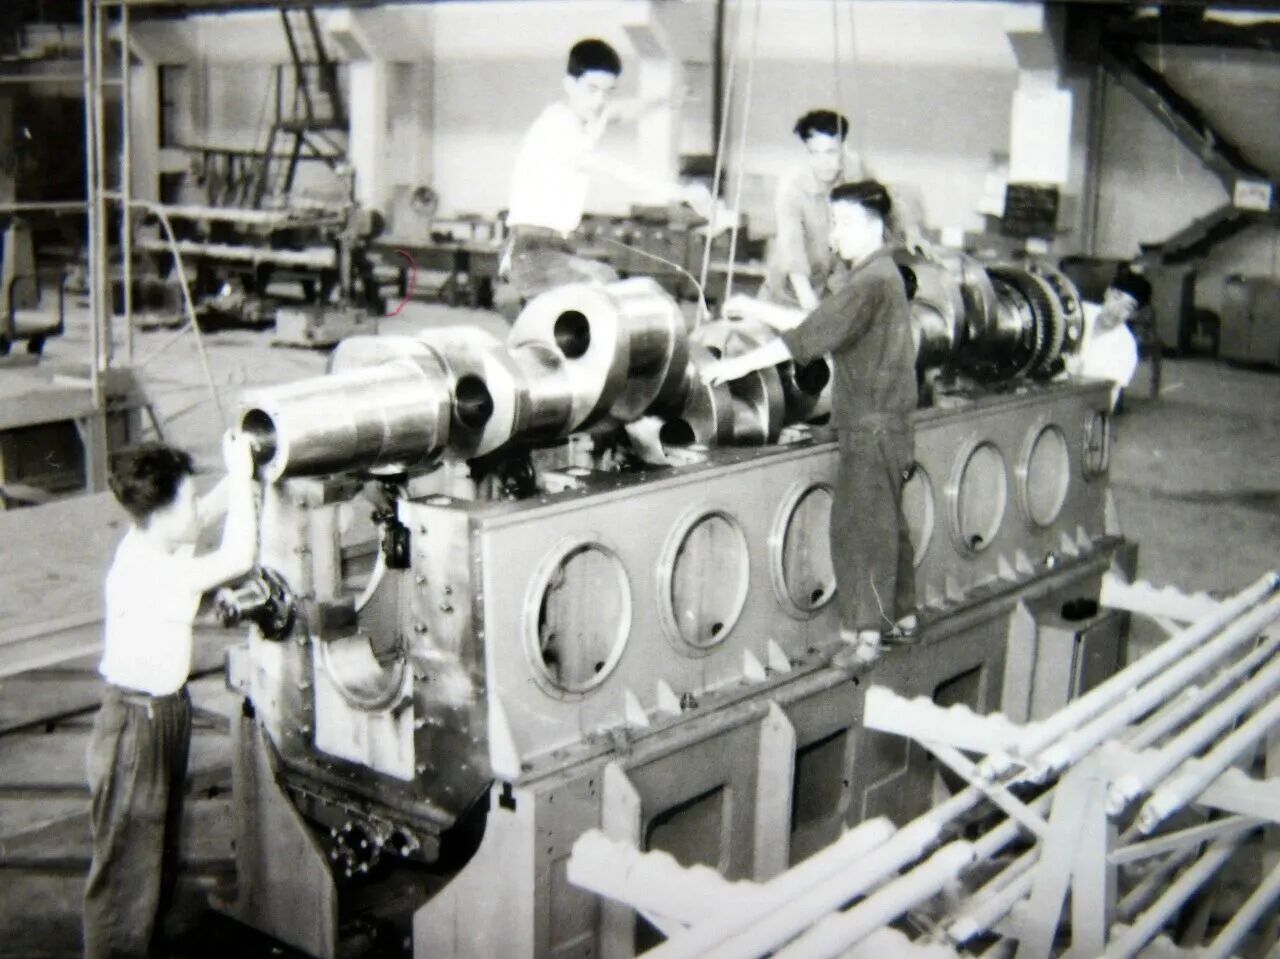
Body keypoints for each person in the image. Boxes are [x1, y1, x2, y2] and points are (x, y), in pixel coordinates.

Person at [705, 180, 918, 666]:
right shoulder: (882, 274)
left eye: (840, 223)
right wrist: (755, 308)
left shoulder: (869, 282)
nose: (833, 236)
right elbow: (823, 321)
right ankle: (903, 618)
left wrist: (733, 367)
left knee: (859, 528)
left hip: (870, 426)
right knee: (888, 522)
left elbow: (808, 337)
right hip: (889, 424)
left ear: (870, 225)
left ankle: (866, 638)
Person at [83, 434, 258, 958]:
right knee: (127, 869)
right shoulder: (156, 570)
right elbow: (239, 555)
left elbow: (200, 517)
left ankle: (145, 946)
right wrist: (242, 477)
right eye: (188, 499)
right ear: (162, 513)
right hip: (135, 727)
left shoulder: (153, 540)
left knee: (155, 853)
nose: (195, 508)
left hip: (163, 714)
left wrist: (245, 468)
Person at [502, 37, 718, 300]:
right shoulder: (558, 125)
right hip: (530, 250)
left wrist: (669, 101)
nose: (599, 100)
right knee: (602, 288)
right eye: (592, 89)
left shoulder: (593, 115)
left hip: (560, 246)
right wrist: (681, 192)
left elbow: (626, 110)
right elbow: (615, 169)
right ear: (569, 84)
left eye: (608, 91)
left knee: (606, 286)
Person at [760, 109, 929, 311]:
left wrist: (911, 232)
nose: (823, 162)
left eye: (831, 152)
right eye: (814, 153)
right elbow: (791, 245)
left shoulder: (855, 169)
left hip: (835, 281)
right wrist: (805, 297)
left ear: (843, 147)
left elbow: (886, 200)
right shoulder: (792, 186)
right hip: (791, 288)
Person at [1065, 266, 1151, 411]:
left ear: (1133, 315)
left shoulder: (1126, 348)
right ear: (1107, 292)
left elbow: (1106, 404)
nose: (1116, 310)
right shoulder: (1076, 313)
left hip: (1077, 409)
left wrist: (1076, 377)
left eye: (1128, 307)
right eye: (1116, 298)